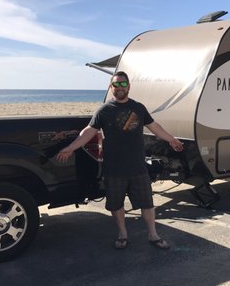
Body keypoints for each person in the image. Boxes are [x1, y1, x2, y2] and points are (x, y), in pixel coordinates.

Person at [57, 71, 184, 250]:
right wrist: (71, 147)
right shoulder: (104, 110)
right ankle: (123, 234)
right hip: (114, 168)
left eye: (123, 84)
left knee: (147, 203)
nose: (120, 88)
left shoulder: (139, 108)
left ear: (129, 86)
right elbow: (88, 131)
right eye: (116, 85)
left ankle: (153, 234)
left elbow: (154, 126)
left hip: (138, 167)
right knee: (116, 205)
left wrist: (171, 139)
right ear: (111, 87)